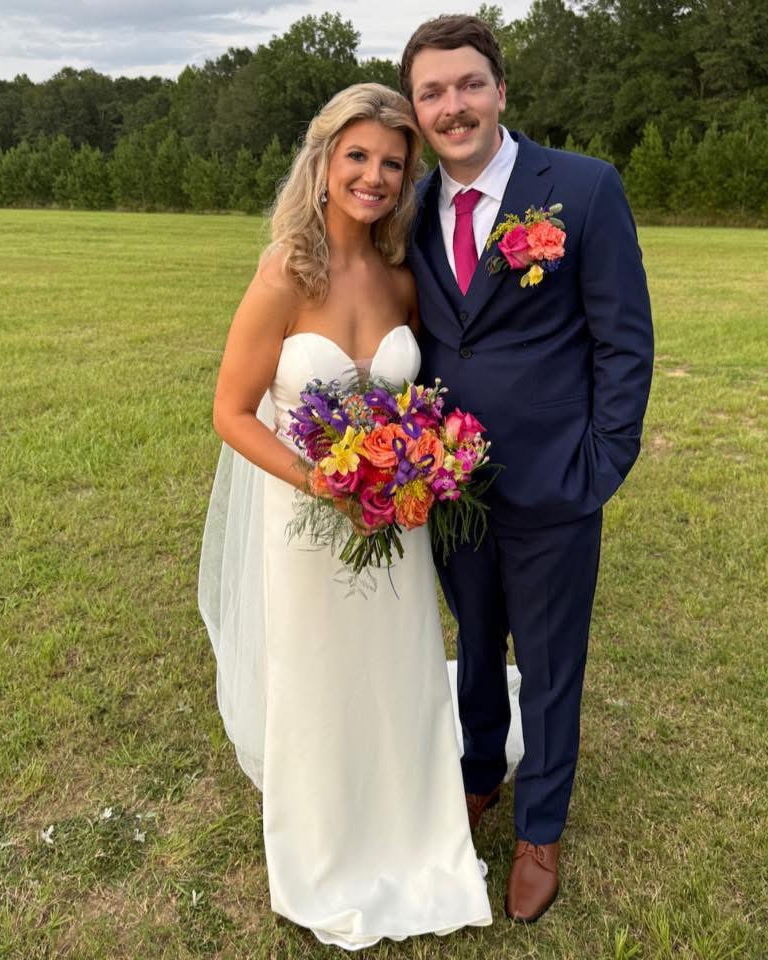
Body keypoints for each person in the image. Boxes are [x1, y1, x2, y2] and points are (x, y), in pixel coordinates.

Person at [197, 83, 492, 950]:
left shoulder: (402, 280)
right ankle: (329, 848)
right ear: (324, 162)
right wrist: (323, 484)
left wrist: (424, 460)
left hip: (396, 524)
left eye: (392, 164)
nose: (374, 176)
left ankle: (416, 826)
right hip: (308, 525)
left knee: (398, 668)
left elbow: (422, 393)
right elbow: (231, 412)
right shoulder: (285, 274)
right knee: (321, 677)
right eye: (357, 156)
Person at [400, 15, 654, 923]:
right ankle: (478, 774)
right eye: (432, 92)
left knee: (548, 665)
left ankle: (540, 828)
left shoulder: (581, 189)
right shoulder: (409, 209)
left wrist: (600, 463)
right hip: (450, 489)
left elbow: (624, 342)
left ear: (500, 90)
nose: (453, 105)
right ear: (416, 110)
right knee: (475, 646)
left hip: (556, 482)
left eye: (469, 84)